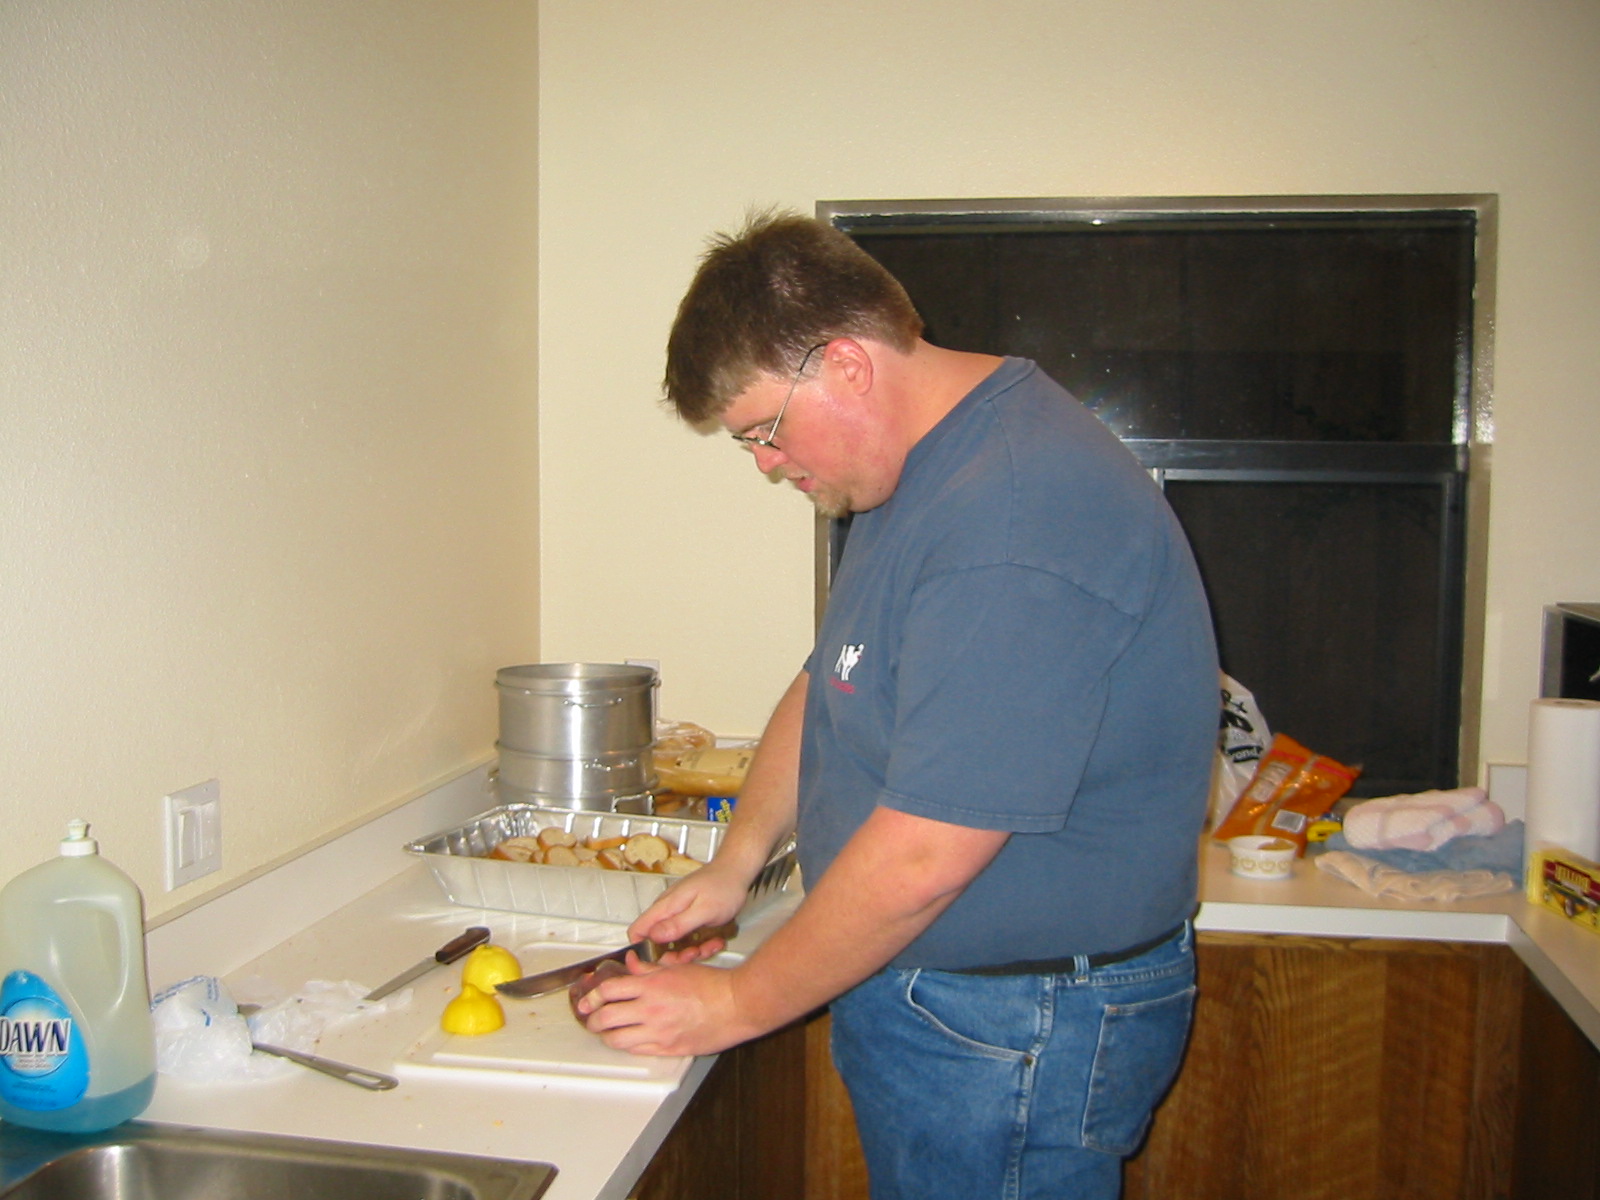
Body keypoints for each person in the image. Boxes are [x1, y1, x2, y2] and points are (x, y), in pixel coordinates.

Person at [574, 211, 1220, 1199]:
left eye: (762, 431)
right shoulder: (922, 472)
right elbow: (826, 683)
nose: (764, 464)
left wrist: (734, 1005)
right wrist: (738, 863)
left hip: (1013, 1024)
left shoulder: (1010, 516)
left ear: (846, 366)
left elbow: (925, 855)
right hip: (966, 1007)